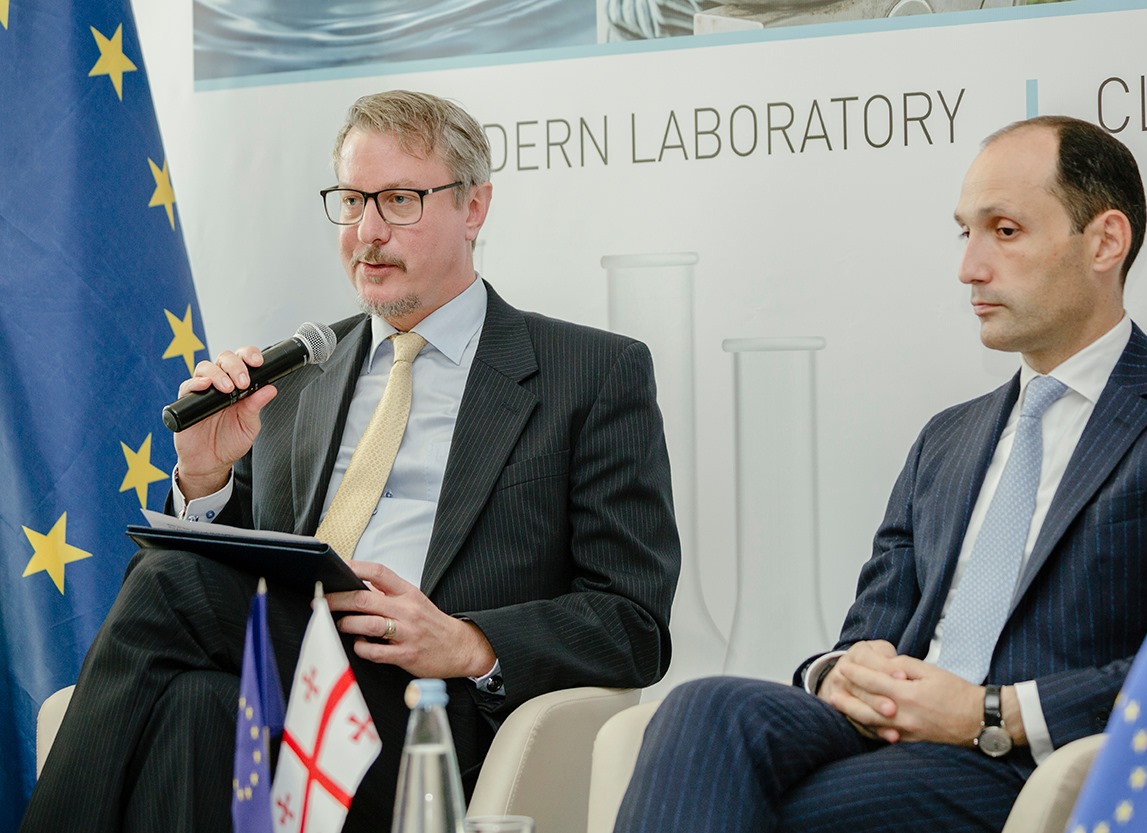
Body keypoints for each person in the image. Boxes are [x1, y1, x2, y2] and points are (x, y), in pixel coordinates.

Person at [611, 115, 1147, 833]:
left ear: (1104, 242)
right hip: (889, 733)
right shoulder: (948, 438)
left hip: (1025, 766)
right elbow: (870, 630)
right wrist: (841, 671)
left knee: (751, 810)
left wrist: (988, 711)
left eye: (1005, 231)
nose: (969, 267)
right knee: (703, 705)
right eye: (965, 232)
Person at [21, 90, 680, 833]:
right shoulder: (293, 378)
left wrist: (466, 641)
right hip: (281, 686)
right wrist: (205, 479)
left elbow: (634, 622)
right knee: (194, 704)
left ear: (473, 207)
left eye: (399, 200)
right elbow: (225, 590)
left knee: (168, 582)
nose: (368, 232)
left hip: (426, 715)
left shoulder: (590, 374)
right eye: (352, 200)